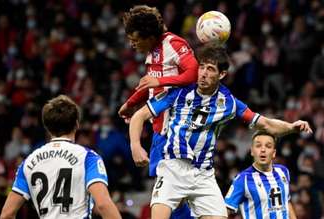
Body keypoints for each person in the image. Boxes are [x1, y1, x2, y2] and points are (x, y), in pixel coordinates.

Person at [129, 43, 312, 219]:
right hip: (172, 169)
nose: (203, 74)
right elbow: (139, 116)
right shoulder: (179, 92)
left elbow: (265, 124)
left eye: (210, 69)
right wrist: (136, 145)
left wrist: (291, 127)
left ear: (222, 74)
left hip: (203, 175)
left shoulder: (229, 102)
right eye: (202, 67)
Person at [119, 5, 198, 218]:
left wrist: (160, 80)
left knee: (169, 195)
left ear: (150, 35)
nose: (132, 43)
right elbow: (154, 86)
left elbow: (194, 73)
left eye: (135, 38)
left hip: (176, 130)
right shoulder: (153, 51)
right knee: (169, 194)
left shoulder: (173, 43)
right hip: (158, 129)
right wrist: (132, 102)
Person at [0, 95, 121, 219]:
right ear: (76, 124)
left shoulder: (28, 162)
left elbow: (7, 214)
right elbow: (103, 205)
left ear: (47, 127)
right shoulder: (88, 157)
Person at [225, 131, 297, 219]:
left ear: (274, 153)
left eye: (268, 146)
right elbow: (226, 210)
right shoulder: (243, 179)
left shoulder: (283, 171)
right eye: (258, 146)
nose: (263, 150)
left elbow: (286, 201)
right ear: (252, 151)